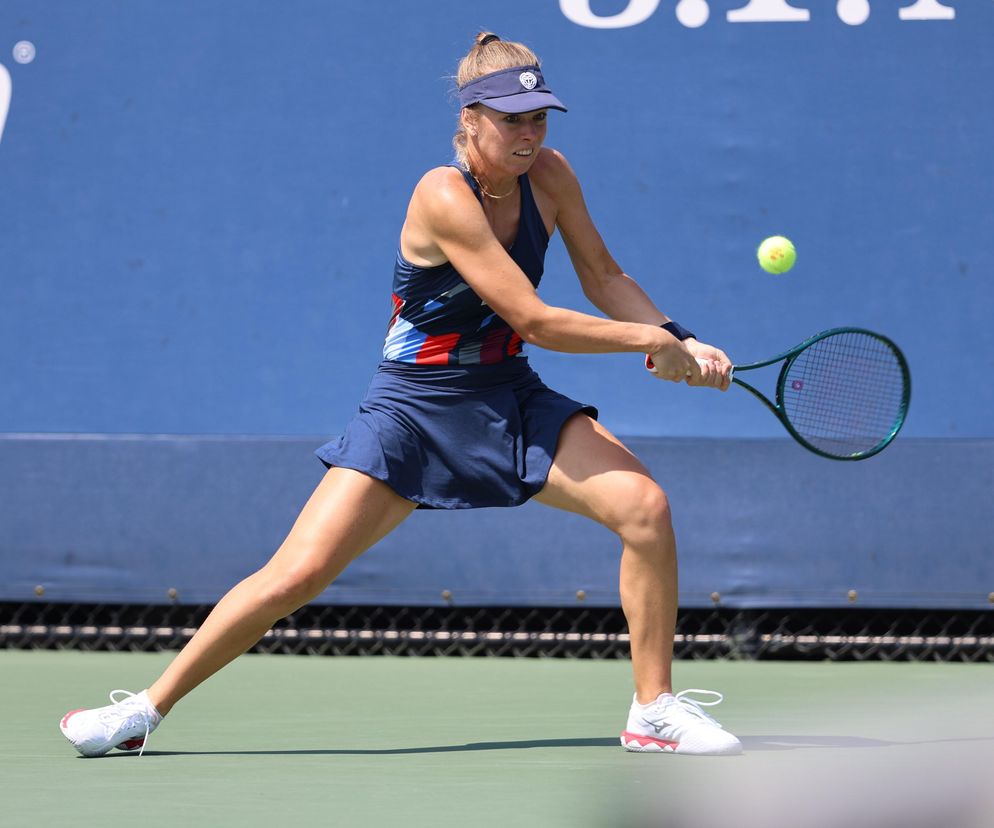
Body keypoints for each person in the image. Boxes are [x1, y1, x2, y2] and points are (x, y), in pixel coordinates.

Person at [59, 32, 741, 757]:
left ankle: (653, 709)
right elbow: (533, 319)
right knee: (296, 575)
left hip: (506, 394)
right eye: (512, 118)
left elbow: (604, 276)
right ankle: (143, 710)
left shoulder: (551, 175)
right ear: (470, 117)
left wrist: (680, 335)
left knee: (645, 509)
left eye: (539, 117)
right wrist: (646, 345)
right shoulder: (442, 194)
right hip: (415, 408)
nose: (529, 133)